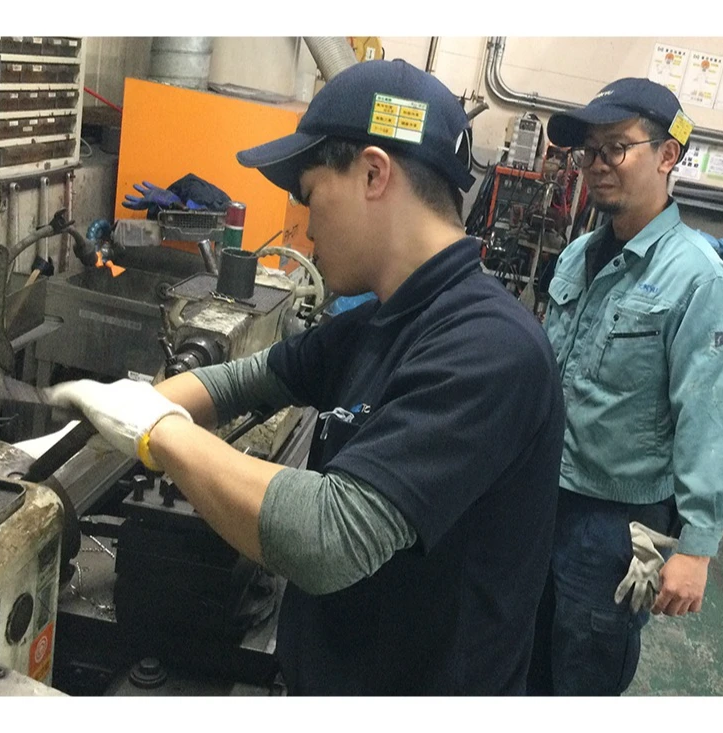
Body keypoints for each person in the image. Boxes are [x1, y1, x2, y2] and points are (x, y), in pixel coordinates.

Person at [48, 59, 565, 695]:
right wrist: (119, 411)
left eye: (310, 194)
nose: (309, 225)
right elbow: (245, 381)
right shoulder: (382, 321)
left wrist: (158, 431)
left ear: (373, 174)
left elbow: (327, 537)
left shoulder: (490, 348)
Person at [527, 78, 723, 695]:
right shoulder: (577, 256)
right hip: (543, 496)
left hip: (617, 525)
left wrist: (696, 548)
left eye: (616, 148)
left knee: (585, 671)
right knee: (524, 656)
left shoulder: (697, 279)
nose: (597, 165)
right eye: (589, 151)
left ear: (668, 155)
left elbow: (710, 416)